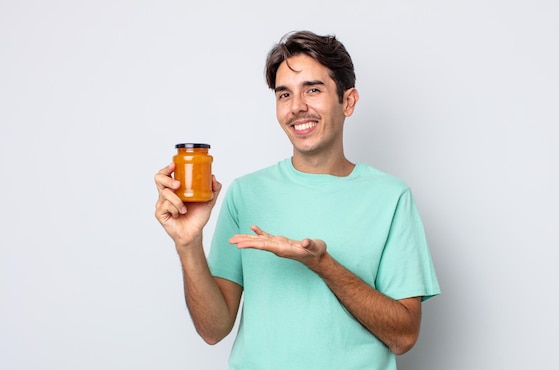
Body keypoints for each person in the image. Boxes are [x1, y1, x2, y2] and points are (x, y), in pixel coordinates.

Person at [154, 30, 440, 370]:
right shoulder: (245, 193)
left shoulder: (391, 197)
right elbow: (214, 330)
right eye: (284, 94)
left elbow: (404, 336)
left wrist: (323, 265)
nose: (297, 107)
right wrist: (188, 244)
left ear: (347, 101)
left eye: (313, 90)